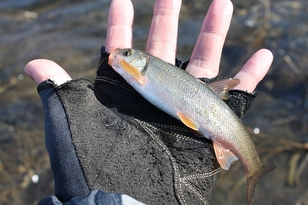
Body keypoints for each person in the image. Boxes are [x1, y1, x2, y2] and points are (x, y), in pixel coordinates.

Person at [25, 0, 273, 204]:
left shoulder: (143, 69)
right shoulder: (134, 73)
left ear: (140, 62)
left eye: (127, 54)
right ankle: (255, 167)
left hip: (212, 112)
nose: (121, 54)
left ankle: (255, 168)